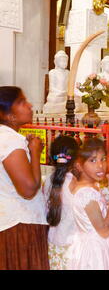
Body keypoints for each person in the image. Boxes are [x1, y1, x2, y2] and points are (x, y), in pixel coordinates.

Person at [0, 86, 49, 270]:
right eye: (21, 102)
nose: (29, 105)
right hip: (20, 224)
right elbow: (28, 189)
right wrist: (35, 152)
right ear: (7, 115)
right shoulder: (11, 140)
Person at [67, 138, 109, 270]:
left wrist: (107, 189)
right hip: (95, 250)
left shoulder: (88, 185)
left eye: (103, 159)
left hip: (89, 244)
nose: (101, 165)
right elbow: (103, 230)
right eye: (93, 160)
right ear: (79, 165)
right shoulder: (87, 194)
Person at [43, 135, 80, 270]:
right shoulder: (76, 185)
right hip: (73, 247)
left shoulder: (48, 180)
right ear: (76, 160)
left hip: (53, 244)